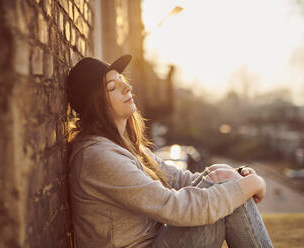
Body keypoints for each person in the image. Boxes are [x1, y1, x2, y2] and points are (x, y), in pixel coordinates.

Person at [66, 54, 274, 248]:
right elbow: (174, 207)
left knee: (227, 186)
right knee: (228, 199)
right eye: (112, 87)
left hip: (156, 240)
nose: (126, 87)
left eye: (121, 78)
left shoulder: (124, 146)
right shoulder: (99, 157)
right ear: (95, 105)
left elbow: (178, 179)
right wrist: (249, 185)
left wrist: (233, 176)